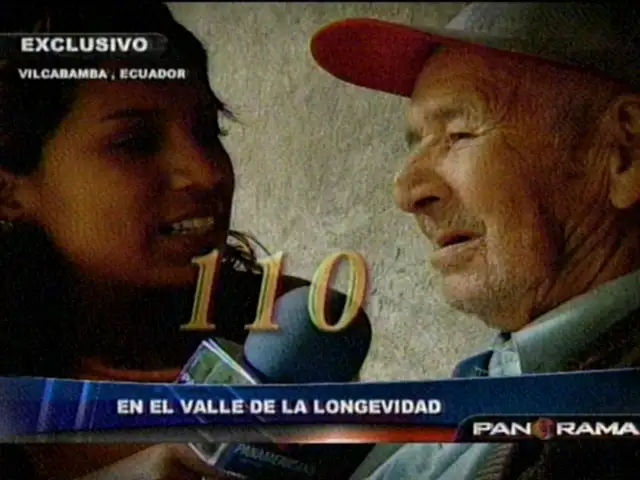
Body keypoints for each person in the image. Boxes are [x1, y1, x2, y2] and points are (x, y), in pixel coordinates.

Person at [311, 3, 640, 479]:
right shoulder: (507, 374)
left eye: (460, 133)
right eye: (416, 142)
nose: (406, 192)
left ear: (625, 152)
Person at [0, 4, 310, 479]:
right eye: (134, 142)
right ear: (10, 191)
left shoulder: (292, 330)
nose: (207, 173)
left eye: (209, 132)